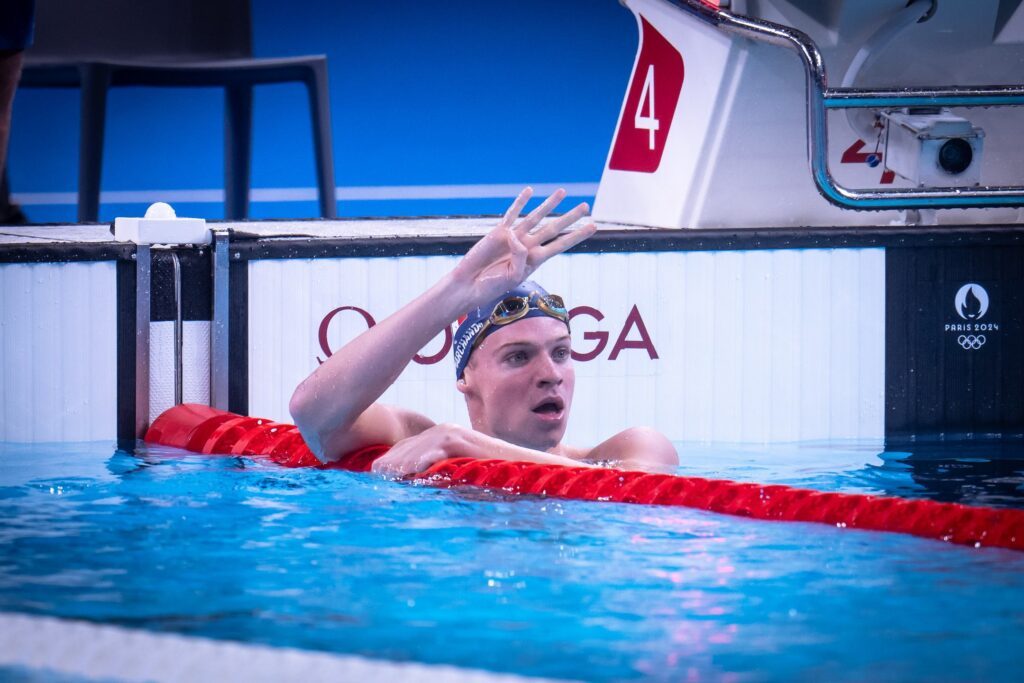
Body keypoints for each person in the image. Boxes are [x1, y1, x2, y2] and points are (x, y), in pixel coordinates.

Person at [289, 187, 678, 477]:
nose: (551, 374)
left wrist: (464, 444)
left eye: (560, 353)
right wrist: (456, 288)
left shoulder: (632, 448)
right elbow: (313, 413)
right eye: (518, 356)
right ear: (466, 377)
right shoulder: (421, 439)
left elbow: (636, 487)